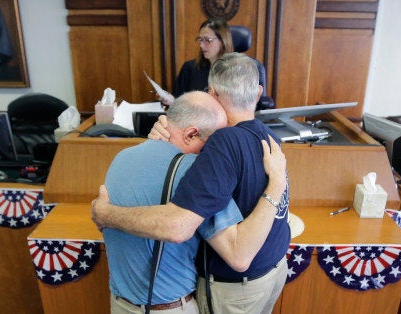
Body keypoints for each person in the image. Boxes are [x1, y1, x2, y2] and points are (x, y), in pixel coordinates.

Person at [92, 52, 290, 314]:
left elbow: (182, 228)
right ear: (258, 92)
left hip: (231, 286)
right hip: (270, 271)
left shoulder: (123, 157)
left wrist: (105, 214)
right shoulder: (267, 134)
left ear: (212, 91)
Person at [159, 19, 234, 106]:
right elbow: (178, 100)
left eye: (207, 40)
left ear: (223, 41)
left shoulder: (237, 71)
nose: (201, 45)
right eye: (200, 39)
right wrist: (171, 100)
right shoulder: (189, 68)